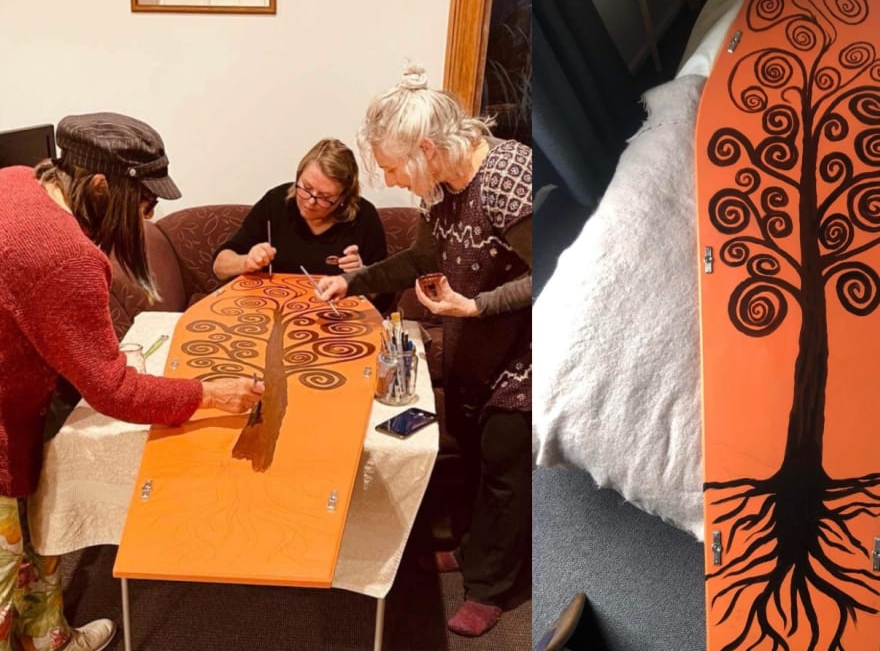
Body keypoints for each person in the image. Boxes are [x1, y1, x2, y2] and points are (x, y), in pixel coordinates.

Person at [0, 112, 263, 651]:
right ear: (100, 185)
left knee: (35, 532)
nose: (150, 214)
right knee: (3, 576)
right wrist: (211, 392)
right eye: (144, 201)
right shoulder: (64, 255)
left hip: (17, 395)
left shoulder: (17, 177)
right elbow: (114, 391)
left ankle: (49, 638)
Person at [317, 65, 531, 638]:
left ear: (427, 149)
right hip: (477, 345)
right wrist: (353, 282)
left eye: (391, 168)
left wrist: (477, 307)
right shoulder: (441, 189)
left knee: (506, 470)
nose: (388, 180)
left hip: (528, 354)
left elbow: (556, 271)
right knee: (476, 457)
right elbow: (420, 259)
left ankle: (491, 589)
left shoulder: (509, 176)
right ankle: (470, 549)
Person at [211, 138, 388, 287]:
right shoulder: (276, 202)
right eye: (306, 188)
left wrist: (362, 275)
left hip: (336, 319)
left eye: (325, 197)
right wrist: (246, 262)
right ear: (298, 175)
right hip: (275, 311)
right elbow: (219, 266)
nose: (311, 201)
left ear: (344, 197)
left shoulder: (364, 217)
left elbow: (385, 296)